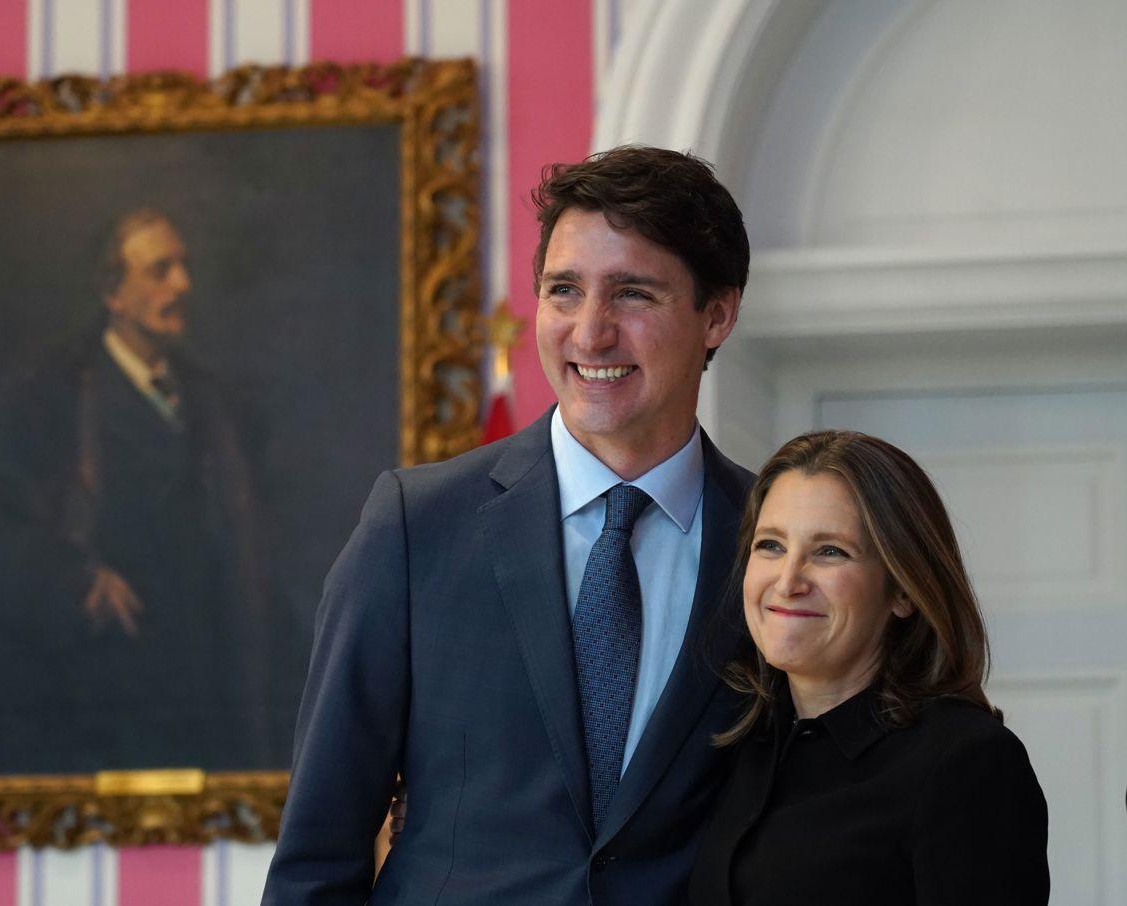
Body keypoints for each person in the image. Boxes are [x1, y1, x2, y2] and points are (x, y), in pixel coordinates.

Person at [263, 146, 754, 904]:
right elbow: (316, 858)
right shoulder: (413, 527)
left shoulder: (767, 543)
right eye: (564, 291)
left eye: (632, 294)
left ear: (716, 314)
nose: (590, 334)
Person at [0, 208, 273, 773]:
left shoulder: (212, 399)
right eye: (160, 270)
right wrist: (74, 578)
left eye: (183, 267)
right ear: (113, 293)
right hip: (100, 684)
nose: (183, 285)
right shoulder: (48, 393)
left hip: (203, 681)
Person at [688, 431, 1049, 906]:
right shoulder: (740, 742)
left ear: (902, 590)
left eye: (830, 551)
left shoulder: (967, 762)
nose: (788, 580)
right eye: (771, 545)